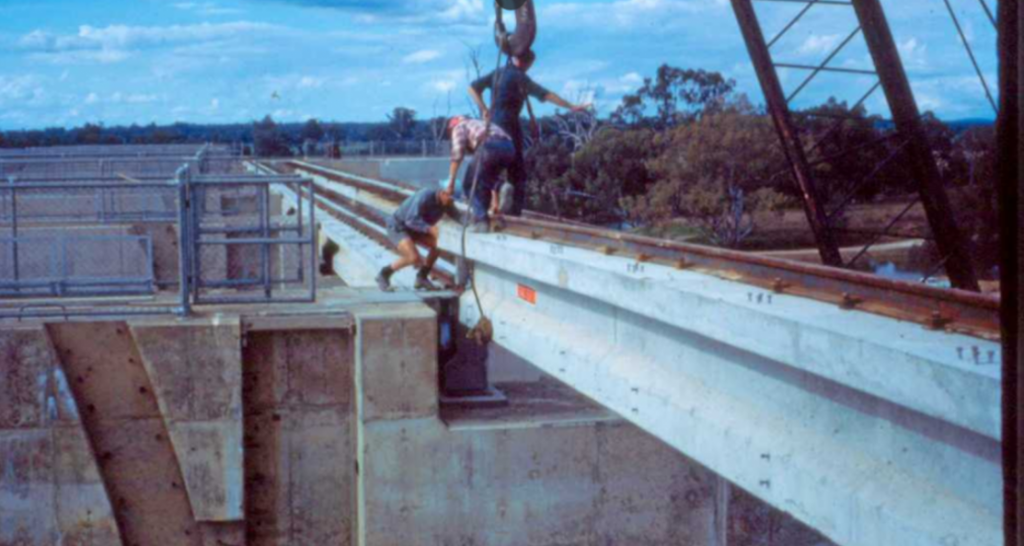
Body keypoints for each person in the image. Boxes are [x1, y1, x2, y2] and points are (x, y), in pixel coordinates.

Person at [468, 49, 590, 216]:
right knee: (517, 172)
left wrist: (484, 108)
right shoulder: (520, 77)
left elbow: (472, 88)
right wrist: (571, 106)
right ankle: (513, 211)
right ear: (527, 62)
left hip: (493, 124)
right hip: (509, 126)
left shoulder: (498, 73)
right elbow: (546, 94)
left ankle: (492, 204)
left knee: (491, 166)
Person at [375, 186, 459, 292]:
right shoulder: (425, 196)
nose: (452, 203)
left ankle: (422, 277)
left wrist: (475, 223)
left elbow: (459, 217)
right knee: (413, 257)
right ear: (443, 193)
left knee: (438, 245)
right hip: (399, 226)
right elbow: (410, 220)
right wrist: (429, 229)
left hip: (416, 229)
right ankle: (384, 273)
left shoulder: (447, 203)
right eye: (451, 199)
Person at [446, 115, 516, 232]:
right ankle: (501, 186)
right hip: (509, 147)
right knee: (484, 182)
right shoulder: (480, 123)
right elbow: (489, 177)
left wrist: (451, 182)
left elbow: (457, 155)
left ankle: (481, 222)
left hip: (489, 146)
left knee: (469, 186)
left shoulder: (459, 126)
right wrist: (495, 202)